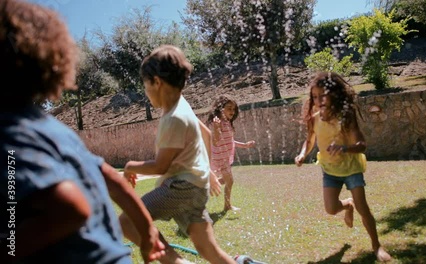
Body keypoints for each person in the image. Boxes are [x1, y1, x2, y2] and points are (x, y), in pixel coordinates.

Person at [0, 0, 165, 263]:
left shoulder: (9, 133)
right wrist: (147, 232)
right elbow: (111, 176)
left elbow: (68, 208)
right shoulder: (54, 130)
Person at [118, 44, 237, 264]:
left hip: (180, 188)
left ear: (156, 82)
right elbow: (207, 134)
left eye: (145, 86)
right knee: (209, 251)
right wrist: (208, 171)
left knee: (128, 222)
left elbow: (160, 167)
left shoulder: (174, 117)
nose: (146, 92)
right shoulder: (183, 105)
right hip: (196, 188)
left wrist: (129, 166)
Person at [294, 71, 392, 262]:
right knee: (330, 209)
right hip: (330, 170)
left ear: (334, 94)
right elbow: (309, 140)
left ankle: (376, 245)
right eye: (314, 97)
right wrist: (301, 154)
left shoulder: (345, 115)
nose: (318, 100)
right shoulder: (314, 118)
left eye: (322, 95)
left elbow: (362, 145)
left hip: (351, 168)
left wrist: (343, 148)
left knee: (363, 208)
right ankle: (347, 206)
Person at [206, 96, 256, 211]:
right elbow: (215, 141)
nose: (232, 112)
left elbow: (230, 141)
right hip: (217, 158)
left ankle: (225, 204)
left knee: (228, 181)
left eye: (233, 109)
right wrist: (217, 128)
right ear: (220, 109)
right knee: (228, 180)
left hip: (224, 158)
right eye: (229, 108)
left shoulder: (227, 123)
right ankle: (207, 190)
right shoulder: (218, 123)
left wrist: (244, 145)